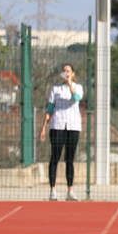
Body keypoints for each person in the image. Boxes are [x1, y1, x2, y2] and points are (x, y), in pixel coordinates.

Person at [39, 63, 83, 201]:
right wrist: (43, 128)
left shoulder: (78, 88)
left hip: (73, 126)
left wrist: (70, 84)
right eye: (64, 71)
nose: (66, 73)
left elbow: (76, 98)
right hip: (57, 125)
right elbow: (50, 108)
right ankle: (53, 190)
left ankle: (70, 191)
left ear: (73, 73)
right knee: (55, 158)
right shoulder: (55, 89)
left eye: (68, 71)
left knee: (69, 159)